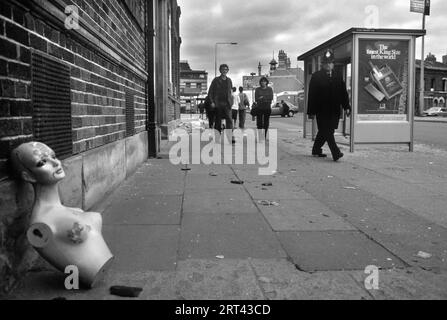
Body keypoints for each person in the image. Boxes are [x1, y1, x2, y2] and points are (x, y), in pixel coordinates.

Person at [10, 142, 114, 288]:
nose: (55, 163)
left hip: (101, 267)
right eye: (42, 162)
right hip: (89, 275)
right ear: (28, 176)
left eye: (53, 156)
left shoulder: (61, 210)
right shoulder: (41, 224)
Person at [307, 49, 351, 162]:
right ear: (322, 64)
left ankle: (316, 149)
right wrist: (310, 112)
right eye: (326, 63)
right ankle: (336, 153)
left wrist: (347, 106)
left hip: (334, 110)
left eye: (330, 63)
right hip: (321, 110)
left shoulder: (337, 76)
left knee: (326, 131)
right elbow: (311, 95)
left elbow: (343, 92)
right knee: (326, 131)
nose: (328, 65)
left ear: (333, 64)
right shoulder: (316, 76)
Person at [208, 64, 235, 143]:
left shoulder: (229, 80)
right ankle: (217, 136)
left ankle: (230, 137)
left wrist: (231, 101)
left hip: (227, 104)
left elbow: (231, 92)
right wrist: (212, 102)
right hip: (218, 103)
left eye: (226, 69)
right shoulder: (216, 80)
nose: (224, 71)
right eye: (223, 69)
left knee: (229, 120)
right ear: (220, 70)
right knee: (218, 121)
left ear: (227, 71)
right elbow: (210, 92)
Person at [255, 76, 274, 140]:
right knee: (259, 123)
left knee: (266, 122)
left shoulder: (270, 89)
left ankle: (264, 135)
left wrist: (262, 97)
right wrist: (265, 97)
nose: (263, 82)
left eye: (264, 81)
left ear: (266, 82)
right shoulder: (257, 89)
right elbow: (256, 99)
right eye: (262, 81)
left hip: (267, 107)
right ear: (260, 82)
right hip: (259, 107)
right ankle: (260, 136)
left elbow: (271, 98)